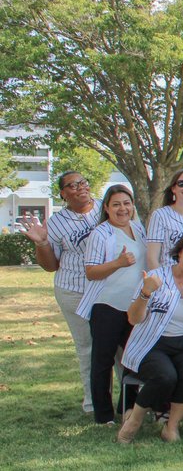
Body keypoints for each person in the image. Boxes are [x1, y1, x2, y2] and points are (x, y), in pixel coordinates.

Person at [116, 231, 183, 443]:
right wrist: (146, 293)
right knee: (165, 376)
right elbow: (133, 319)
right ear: (179, 252)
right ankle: (134, 420)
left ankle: (171, 427)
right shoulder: (156, 276)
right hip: (152, 344)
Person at [16, 170, 102, 413]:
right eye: (73, 185)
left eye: (83, 182)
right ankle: (92, 403)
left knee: (119, 345)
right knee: (88, 347)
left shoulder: (105, 210)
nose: (81, 188)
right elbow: (50, 265)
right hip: (74, 290)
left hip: (108, 288)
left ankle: (129, 402)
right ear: (63, 194)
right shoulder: (56, 223)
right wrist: (41, 243)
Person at [76, 185, 146, 425]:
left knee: (133, 359)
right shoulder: (101, 233)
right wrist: (117, 263)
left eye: (126, 203)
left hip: (134, 307)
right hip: (107, 306)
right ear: (106, 208)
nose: (122, 209)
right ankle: (103, 415)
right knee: (103, 361)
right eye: (116, 204)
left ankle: (126, 407)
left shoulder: (138, 229)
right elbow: (91, 272)